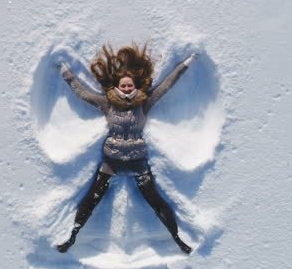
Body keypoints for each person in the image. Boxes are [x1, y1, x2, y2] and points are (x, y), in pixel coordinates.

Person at [55, 43, 197, 254]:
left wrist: (184, 65)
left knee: (154, 200)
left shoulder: (144, 103)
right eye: (124, 85)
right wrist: (65, 73)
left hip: (137, 162)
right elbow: (83, 94)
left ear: (135, 86)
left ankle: (177, 239)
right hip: (111, 161)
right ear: (117, 87)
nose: (127, 88)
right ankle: (72, 237)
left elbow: (166, 86)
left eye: (130, 85)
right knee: (92, 198)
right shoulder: (107, 104)